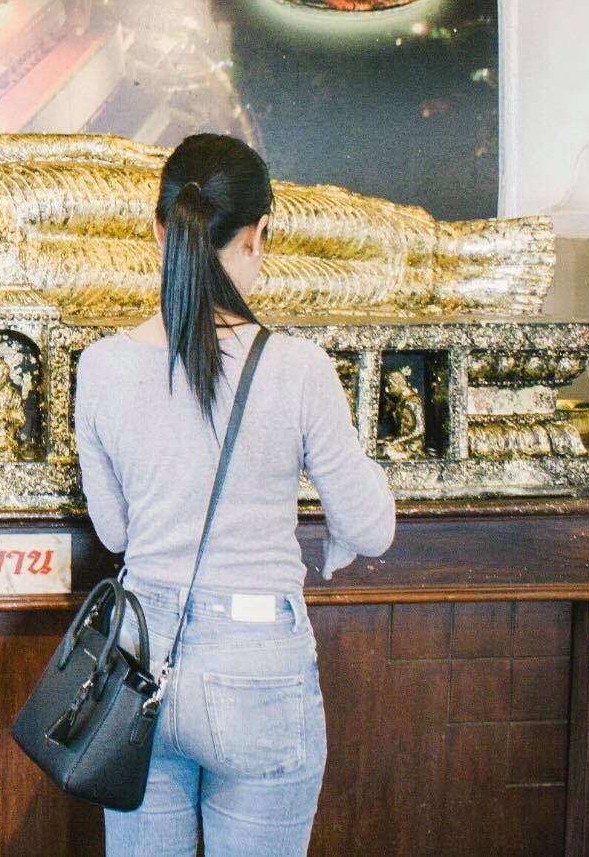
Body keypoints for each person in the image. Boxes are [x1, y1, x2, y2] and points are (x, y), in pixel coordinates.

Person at [74, 134, 396, 857]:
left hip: (140, 662)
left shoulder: (101, 367)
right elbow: (372, 529)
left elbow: (116, 533)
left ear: (160, 231)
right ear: (259, 235)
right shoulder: (299, 370)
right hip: (257, 669)